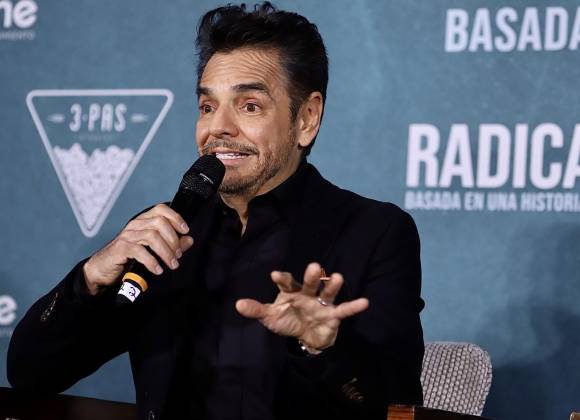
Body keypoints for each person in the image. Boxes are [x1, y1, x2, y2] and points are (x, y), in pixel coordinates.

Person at [7, 3, 424, 419]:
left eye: (249, 106)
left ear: (307, 119)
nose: (217, 128)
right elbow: (30, 374)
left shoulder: (374, 233)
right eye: (207, 107)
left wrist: (321, 348)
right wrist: (90, 277)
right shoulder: (162, 236)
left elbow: (398, 403)